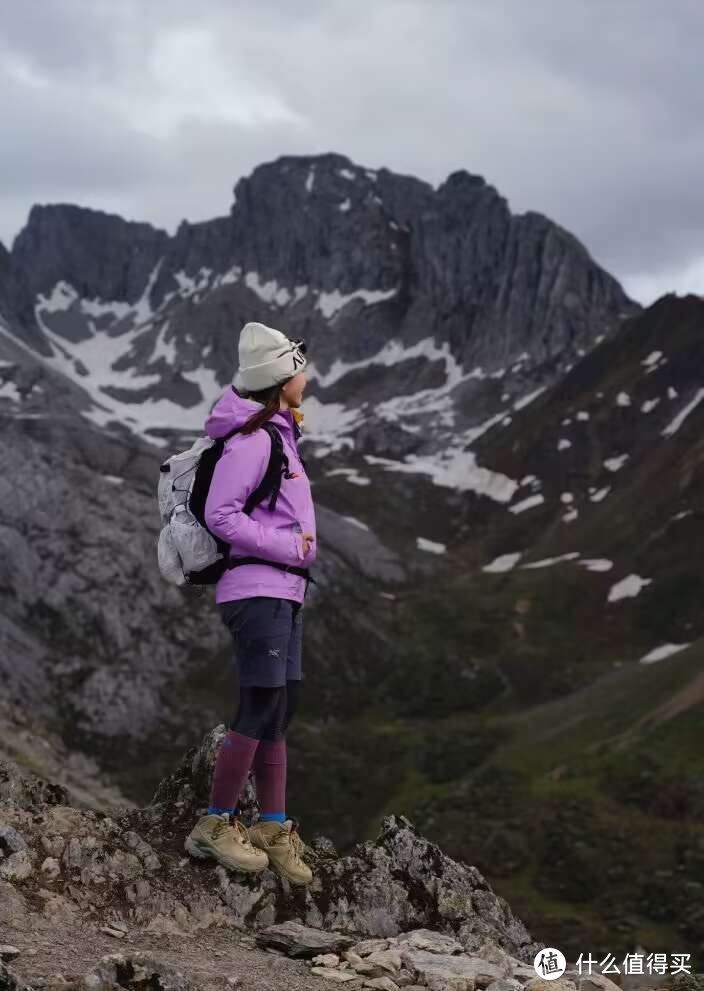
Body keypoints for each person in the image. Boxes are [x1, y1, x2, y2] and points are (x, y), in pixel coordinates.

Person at [184, 321, 316, 886]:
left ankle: (271, 825)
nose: (307, 378)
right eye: (299, 368)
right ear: (281, 379)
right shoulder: (255, 440)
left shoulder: (279, 435)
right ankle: (213, 824)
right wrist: (288, 545)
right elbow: (221, 514)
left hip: (282, 591)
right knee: (261, 702)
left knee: (282, 705)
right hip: (257, 589)